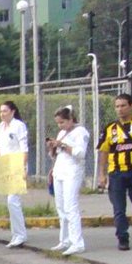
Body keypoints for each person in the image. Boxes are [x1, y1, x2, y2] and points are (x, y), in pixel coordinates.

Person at [96, 93, 132, 251]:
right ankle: (122, 237)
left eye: (123, 105)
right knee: (119, 209)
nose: (120, 109)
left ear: (131, 105)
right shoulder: (109, 128)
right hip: (116, 174)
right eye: (117, 106)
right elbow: (103, 152)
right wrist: (102, 174)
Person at [46, 105, 90, 255]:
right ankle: (64, 240)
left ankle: (77, 242)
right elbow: (55, 155)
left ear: (71, 119)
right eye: (58, 123)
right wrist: (52, 148)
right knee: (61, 206)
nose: (60, 126)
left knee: (71, 206)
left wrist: (63, 145)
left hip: (73, 171)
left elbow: (80, 153)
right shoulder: (61, 133)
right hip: (59, 171)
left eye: (62, 122)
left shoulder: (81, 132)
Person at [0, 101, 29, 248]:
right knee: (11, 202)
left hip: (16, 165)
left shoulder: (19, 126)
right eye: (1, 111)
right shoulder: (2, 127)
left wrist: (23, 167)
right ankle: (16, 233)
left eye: (5, 111)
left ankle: (20, 234)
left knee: (12, 200)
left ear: (13, 111)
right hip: (5, 166)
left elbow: (24, 148)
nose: (2, 114)